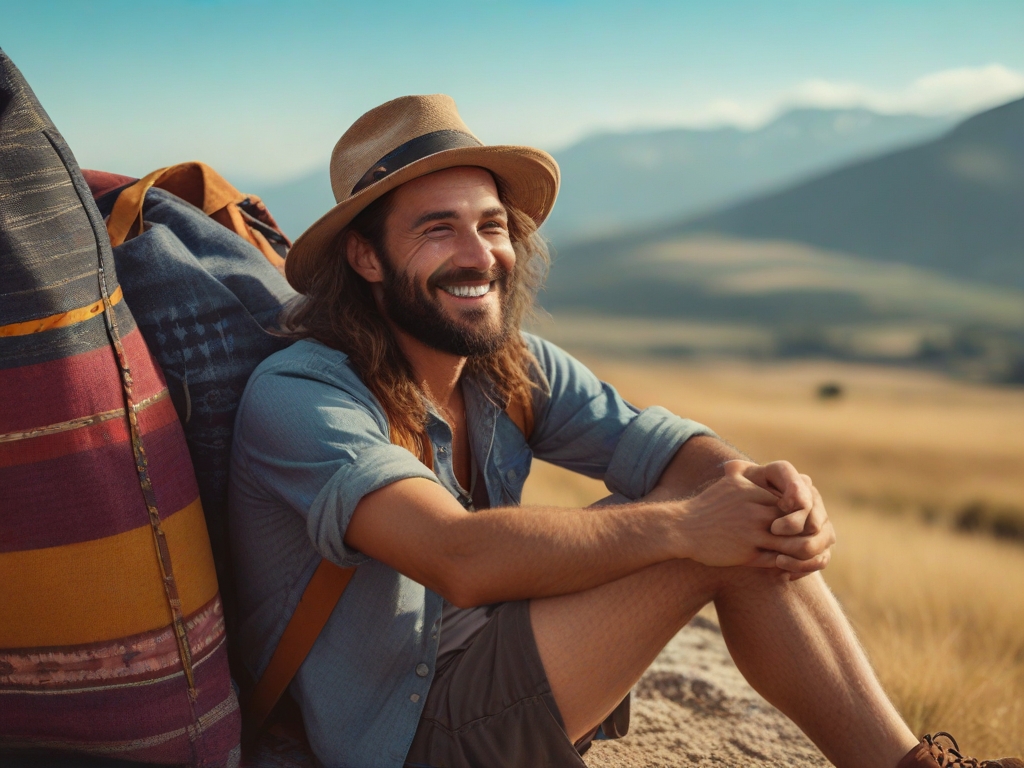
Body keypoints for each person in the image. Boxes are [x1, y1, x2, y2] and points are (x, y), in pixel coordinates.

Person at [228, 94, 1021, 768]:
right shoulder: (303, 395)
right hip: (401, 733)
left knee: (730, 508)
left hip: (485, 660)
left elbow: (664, 448)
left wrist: (770, 491)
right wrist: (693, 526)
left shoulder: (509, 365)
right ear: (366, 258)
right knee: (700, 535)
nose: (480, 255)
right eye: (438, 229)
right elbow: (458, 558)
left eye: (494, 225)